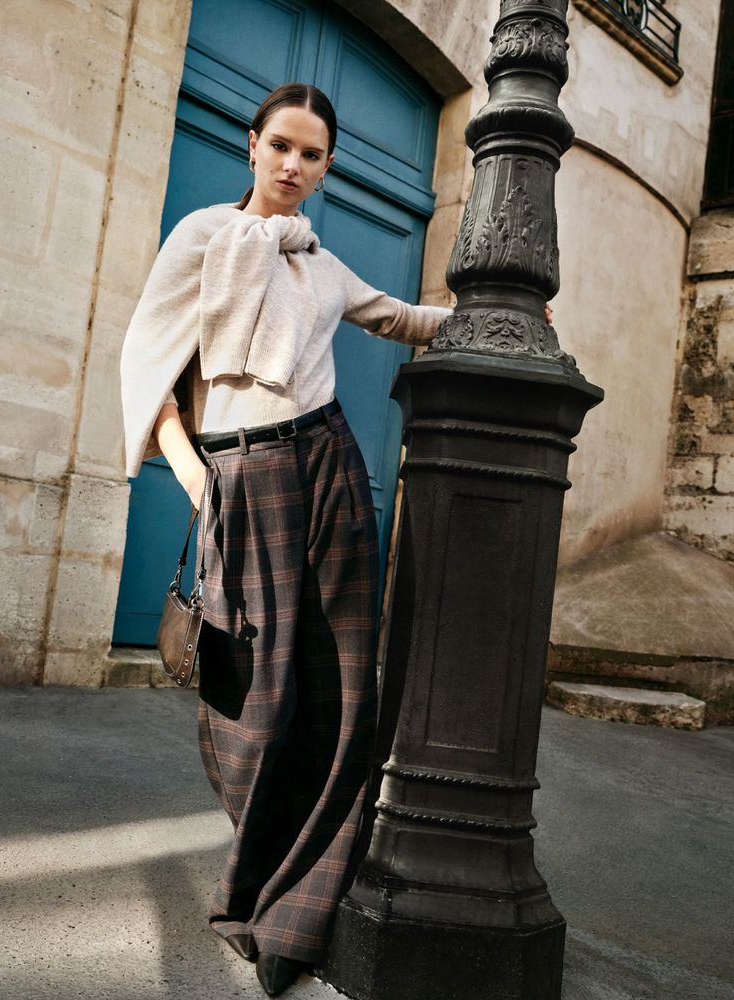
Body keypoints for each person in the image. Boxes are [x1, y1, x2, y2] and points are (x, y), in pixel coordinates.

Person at [119, 81, 550, 997]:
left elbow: (396, 317)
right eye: (280, 145)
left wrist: (502, 321)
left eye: (311, 154)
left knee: (343, 688)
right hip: (242, 477)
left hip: (329, 464)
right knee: (253, 698)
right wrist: (199, 482)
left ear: (325, 167)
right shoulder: (202, 237)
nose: (292, 165)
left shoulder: (319, 260)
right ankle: (258, 878)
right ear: (251, 143)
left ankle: (300, 913)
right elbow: (147, 370)